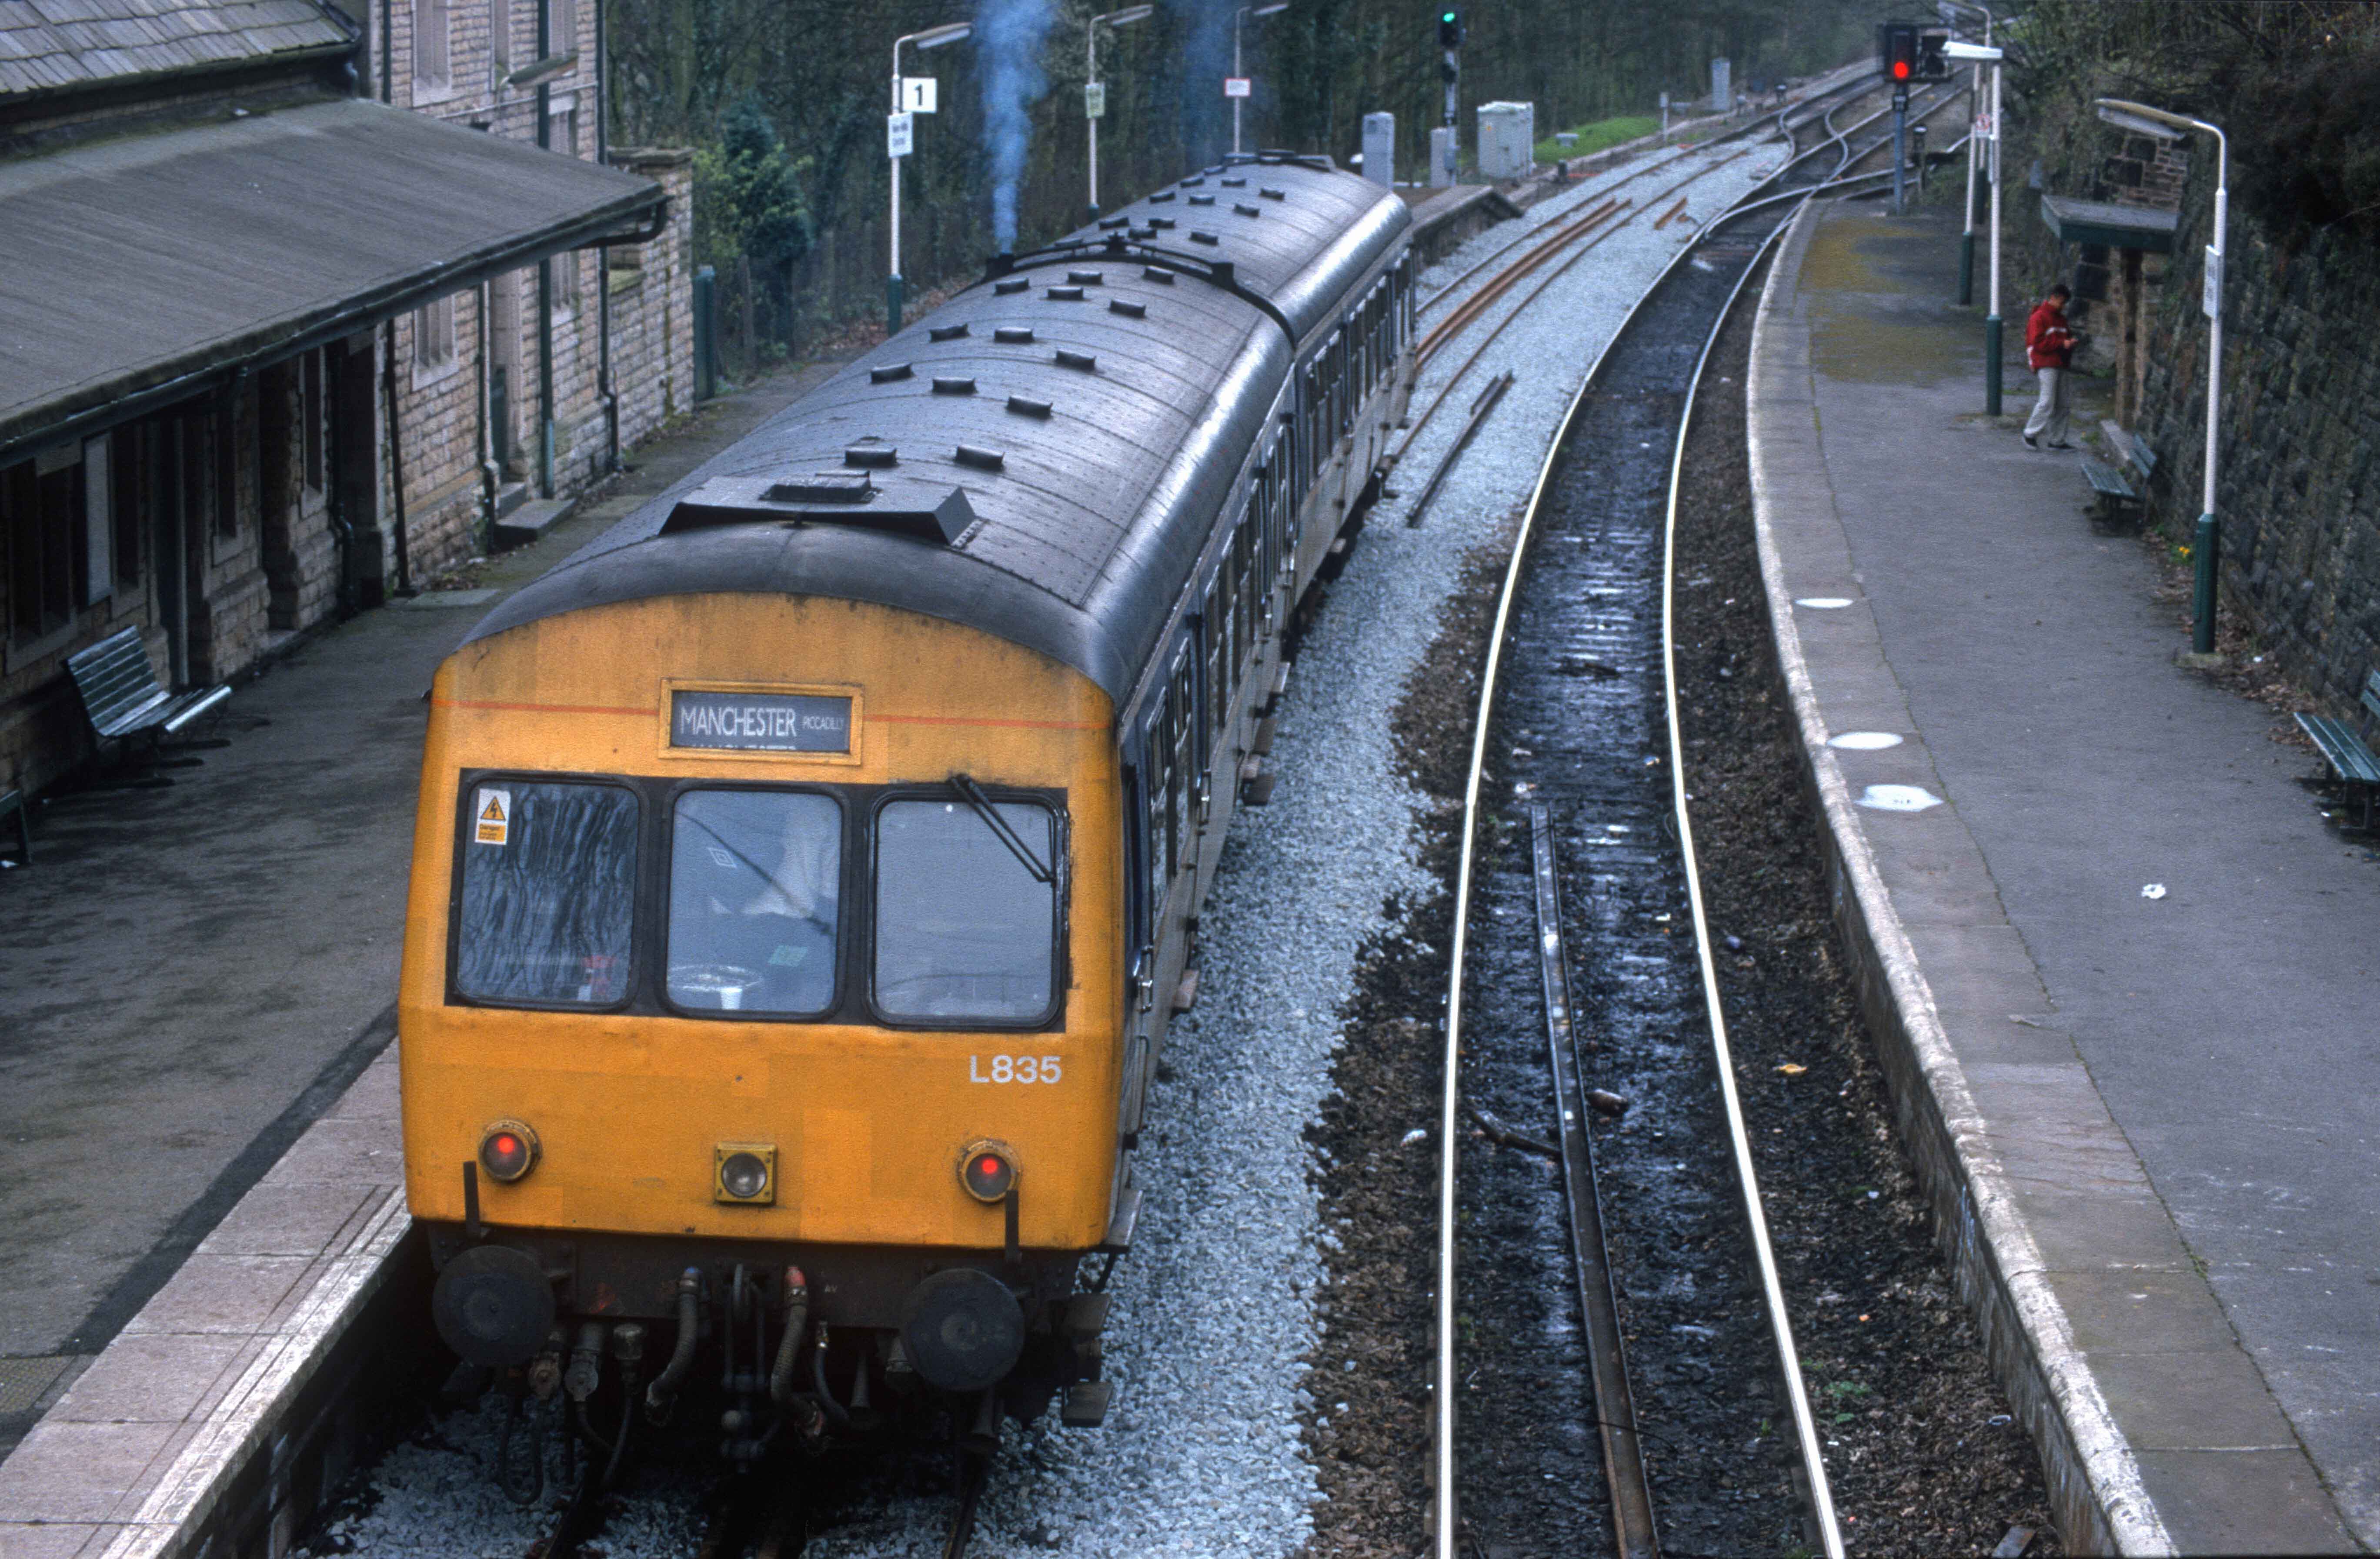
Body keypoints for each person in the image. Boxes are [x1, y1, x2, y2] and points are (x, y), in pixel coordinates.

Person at [2023, 284, 2079, 449]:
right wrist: (2064, 343)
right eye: (2061, 302)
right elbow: (2038, 343)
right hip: (2047, 364)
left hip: (2060, 363)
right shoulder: (2039, 317)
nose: (2063, 306)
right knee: (2047, 401)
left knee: (2063, 403)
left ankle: (2057, 440)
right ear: (2053, 297)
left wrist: (2068, 343)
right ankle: (2030, 433)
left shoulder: (2059, 318)